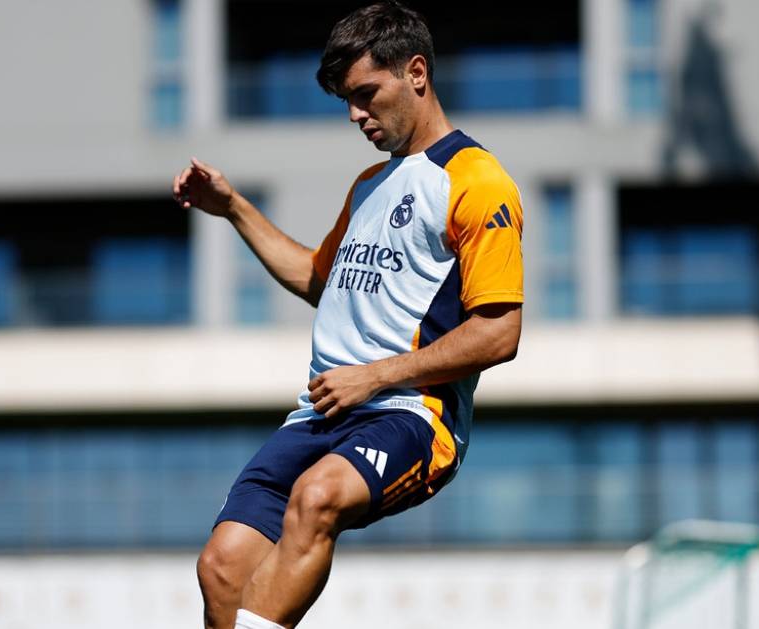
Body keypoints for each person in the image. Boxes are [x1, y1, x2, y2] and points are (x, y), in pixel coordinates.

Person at [171, 3, 524, 627]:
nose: (356, 115)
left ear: (417, 73)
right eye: (347, 101)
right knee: (221, 565)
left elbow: (500, 333)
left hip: (412, 415)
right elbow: (317, 279)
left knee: (317, 497)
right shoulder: (368, 186)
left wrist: (374, 376)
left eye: (366, 94)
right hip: (321, 415)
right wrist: (233, 208)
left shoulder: (478, 180)